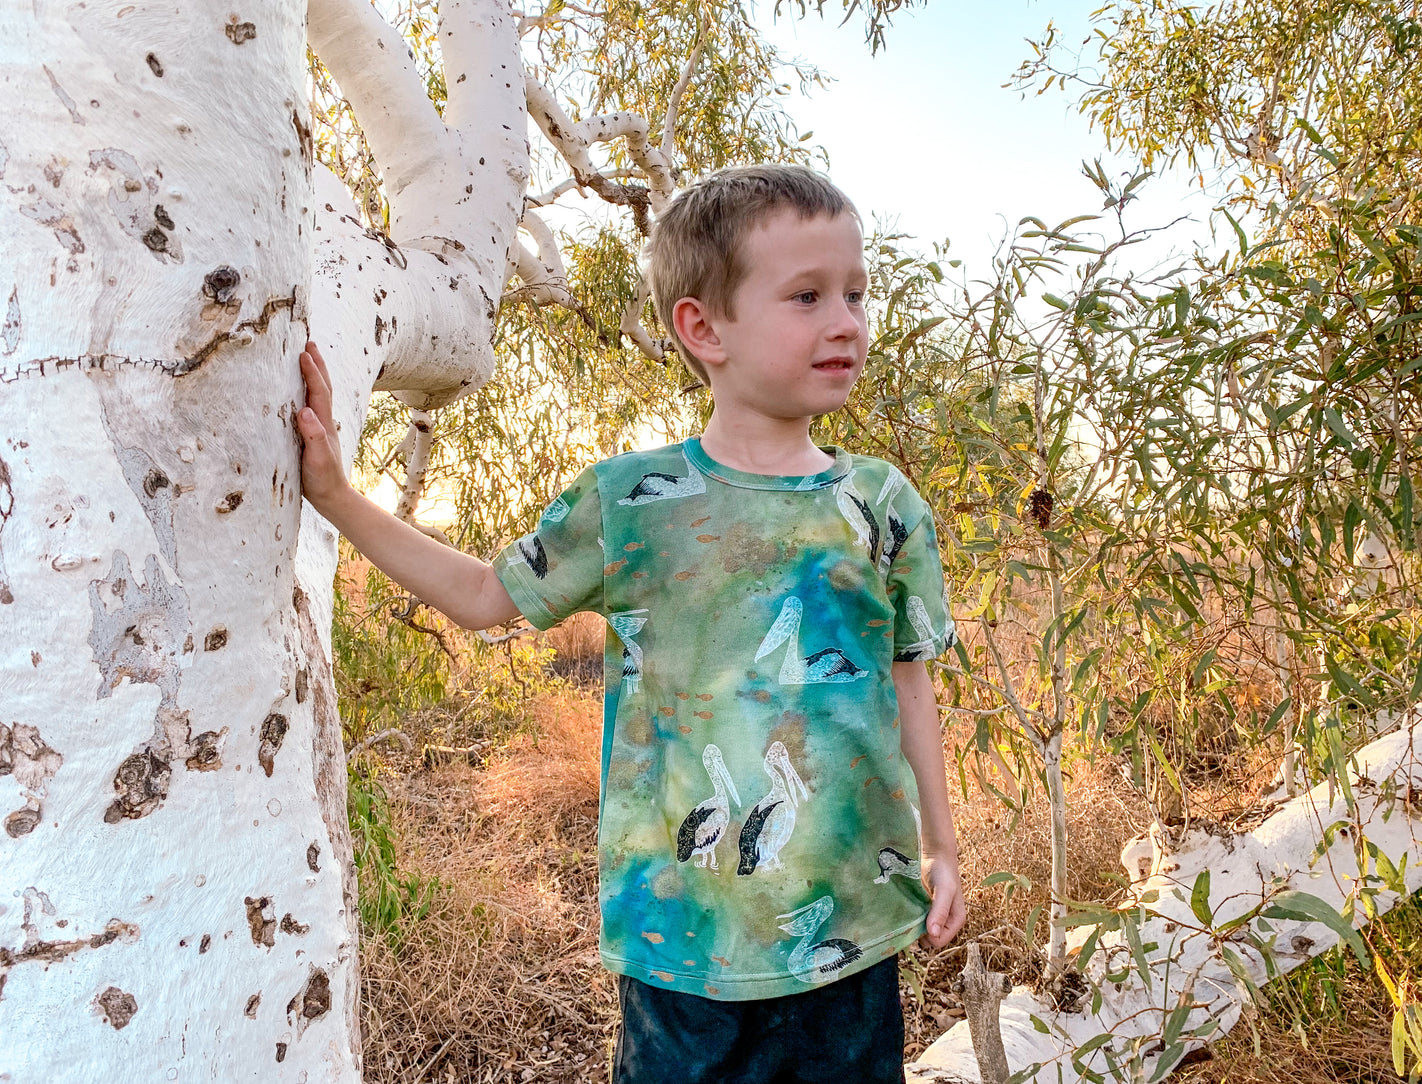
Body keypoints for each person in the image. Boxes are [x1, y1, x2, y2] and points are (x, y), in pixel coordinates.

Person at [298, 163, 968, 1084]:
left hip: (849, 933)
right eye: (806, 296)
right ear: (703, 326)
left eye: (855, 293)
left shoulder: (880, 501)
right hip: (681, 949)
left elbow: (907, 679)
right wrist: (335, 495)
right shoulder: (628, 504)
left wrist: (940, 845)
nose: (846, 320)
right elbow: (489, 596)